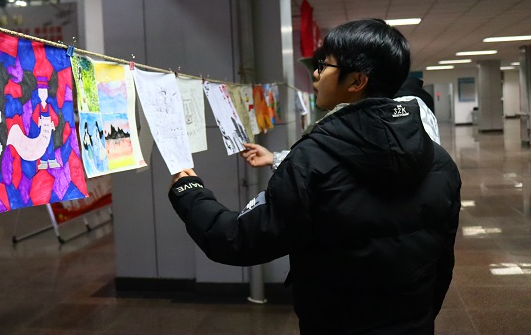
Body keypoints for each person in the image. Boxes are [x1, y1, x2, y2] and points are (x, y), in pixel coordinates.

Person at [168, 18, 461, 334]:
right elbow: (443, 263)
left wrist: (189, 190)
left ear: (357, 81)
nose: (317, 74)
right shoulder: (440, 162)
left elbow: (238, 240)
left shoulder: (311, 161)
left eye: (325, 65)